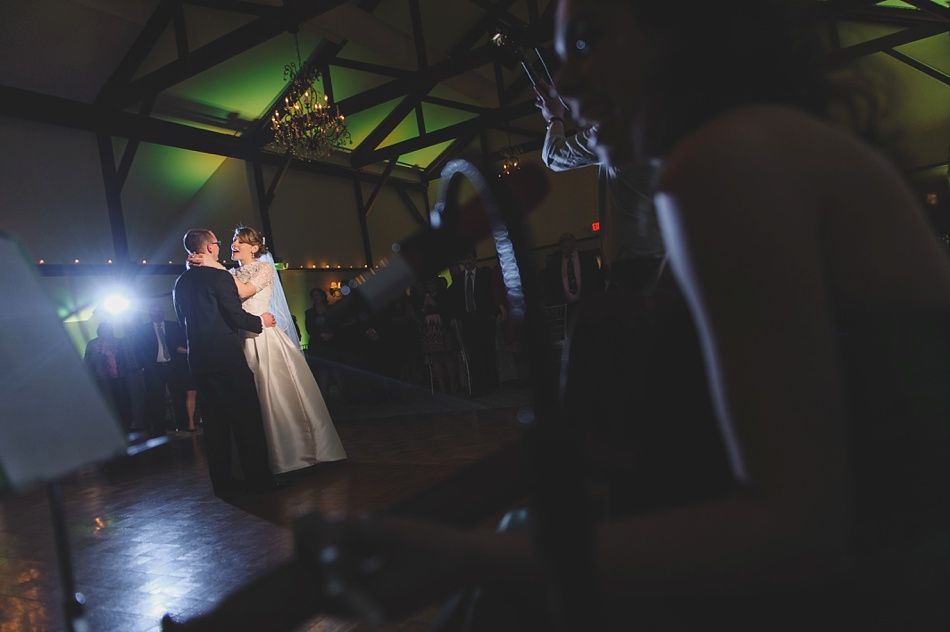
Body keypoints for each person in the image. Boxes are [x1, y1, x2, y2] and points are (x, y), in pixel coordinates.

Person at [165, 1, 950, 629]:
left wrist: (466, 558)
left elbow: (798, 532)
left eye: (591, 39)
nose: (565, 86)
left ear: (686, 28)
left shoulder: (725, 162)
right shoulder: (755, 148)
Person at [189, 226, 346, 475]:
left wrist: (212, 264)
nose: (234, 243)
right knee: (248, 402)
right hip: (239, 340)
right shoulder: (229, 272)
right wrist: (203, 264)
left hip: (263, 337)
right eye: (232, 240)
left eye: (239, 240)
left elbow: (243, 292)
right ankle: (259, 459)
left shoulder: (263, 269)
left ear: (254, 247)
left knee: (275, 393)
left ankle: (293, 453)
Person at [173, 228, 280, 497]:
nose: (221, 246)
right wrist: (261, 321)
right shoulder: (220, 277)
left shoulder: (181, 282)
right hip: (225, 356)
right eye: (217, 243)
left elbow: (181, 318)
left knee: (214, 425)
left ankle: (222, 483)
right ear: (209, 248)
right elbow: (235, 316)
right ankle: (259, 481)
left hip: (198, 360)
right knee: (247, 420)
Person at [534, 79, 664, 291]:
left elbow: (554, 156)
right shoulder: (662, 124)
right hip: (666, 255)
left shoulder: (616, 129)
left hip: (630, 263)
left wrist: (554, 118)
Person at [447, 251, 498, 396]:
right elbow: (456, 300)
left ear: (475, 259)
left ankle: (489, 384)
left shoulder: (484, 275)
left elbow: (490, 295)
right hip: (467, 320)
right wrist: (456, 317)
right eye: (465, 259)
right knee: (473, 353)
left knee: (486, 351)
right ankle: (476, 386)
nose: (467, 261)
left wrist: (492, 314)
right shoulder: (458, 279)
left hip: (483, 318)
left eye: (470, 258)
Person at [134, 302, 187, 436]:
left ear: (163, 313)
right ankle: (159, 429)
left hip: (173, 366)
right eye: (153, 312)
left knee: (178, 396)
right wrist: (143, 367)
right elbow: (139, 350)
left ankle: (183, 425)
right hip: (154, 368)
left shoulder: (174, 326)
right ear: (150, 314)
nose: (156, 314)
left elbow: (181, 343)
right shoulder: (143, 330)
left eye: (159, 311)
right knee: (156, 398)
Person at [83, 321, 134, 432]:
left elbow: (126, 359)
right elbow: (87, 363)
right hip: (102, 380)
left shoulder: (119, 342)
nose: (105, 332)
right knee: (107, 404)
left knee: (123, 403)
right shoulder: (92, 344)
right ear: (98, 331)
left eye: (107, 329)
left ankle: (126, 425)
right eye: (103, 329)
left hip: (119, 378)